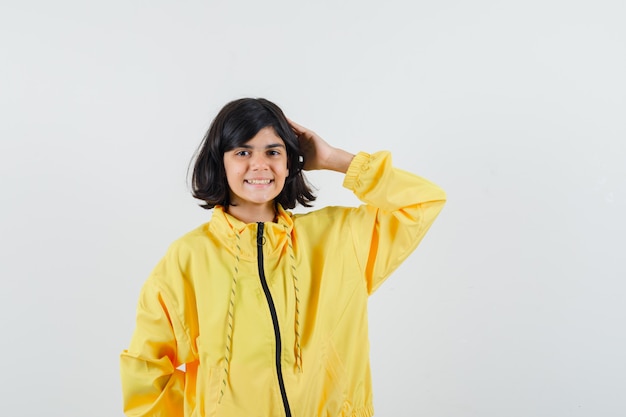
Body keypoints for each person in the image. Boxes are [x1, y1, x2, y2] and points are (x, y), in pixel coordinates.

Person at [120, 98, 447, 417]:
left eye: (273, 152)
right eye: (243, 152)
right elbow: (146, 369)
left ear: (291, 161)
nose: (259, 165)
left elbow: (423, 202)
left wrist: (335, 159)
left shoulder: (339, 237)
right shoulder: (189, 257)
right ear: (220, 161)